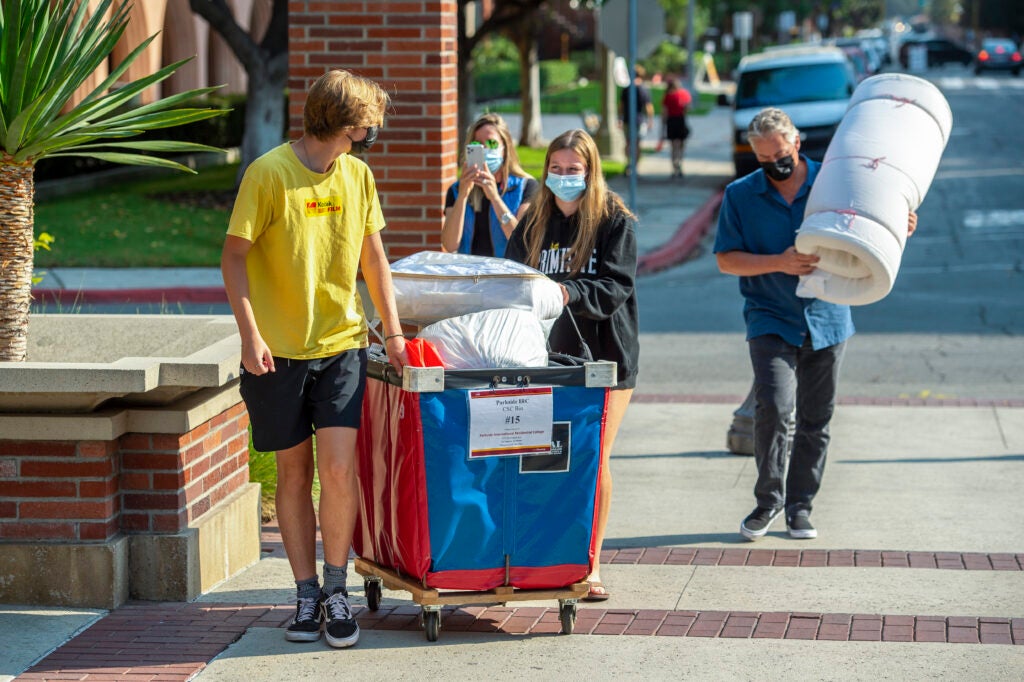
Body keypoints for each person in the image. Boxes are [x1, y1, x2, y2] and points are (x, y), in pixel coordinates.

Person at [221, 69, 408, 649]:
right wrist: (250, 337)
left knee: (337, 470)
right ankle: (304, 593)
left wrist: (395, 336)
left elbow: (374, 264)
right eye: (369, 119)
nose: (375, 127)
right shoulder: (269, 173)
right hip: (276, 355)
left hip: (342, 345)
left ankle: (335, 589)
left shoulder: (358, 175)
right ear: (347, 122)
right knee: (294, 474)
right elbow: (232, 259)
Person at [713, 107, 916, 542]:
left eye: (781, 154)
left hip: (829, 315)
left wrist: (899, 224)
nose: (775, 165)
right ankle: (769, 500)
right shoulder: (741, 195)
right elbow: (727, 259)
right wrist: (779, 263)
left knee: (815, 418)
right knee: (774, 408)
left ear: (797, 143)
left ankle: (800, 507)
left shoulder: (837, 182)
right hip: (769, 315)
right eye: (765, 160)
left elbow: (876, 224)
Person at [505, 129, 639, 602]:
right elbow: (513, 280)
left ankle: (591, 563)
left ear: (590, 172)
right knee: (543, 458)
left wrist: (567, 292)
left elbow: (615, 287)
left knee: (592, 457)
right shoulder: (533, 222)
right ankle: (543, 557)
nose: (564, 178)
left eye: (573, 170)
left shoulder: (614, 220)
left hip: (605, 358)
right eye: (556, 170)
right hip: (544, 359)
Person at [441, 113, 539, 256]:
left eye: (491, 143)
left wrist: (495, 198)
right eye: (477, 145)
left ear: (505, 148)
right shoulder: (456, 190)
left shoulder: (526, 187)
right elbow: (449, 245)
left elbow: (520, 242)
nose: (484, 149)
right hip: (470, 274)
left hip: (509, 274)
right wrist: (462, 196)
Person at [618, 65, 654, 176]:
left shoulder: (627, 89)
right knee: (637, 144)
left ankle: (628, 163)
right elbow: (648, 107)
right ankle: (635, 166)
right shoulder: (643, 89)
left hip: (627, 120)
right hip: (639, 120)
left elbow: (621, 106)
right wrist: (650, 120)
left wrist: (619, 118)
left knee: (628, 143)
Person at [660, 77, 692, 179]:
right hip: (681, 120)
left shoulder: (667, 96)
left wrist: (663, 126)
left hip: (671, 121)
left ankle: (674, 167)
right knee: (681, 145)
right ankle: (680, 165)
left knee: (673, 146)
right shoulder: (684, 94)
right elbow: (687, 108)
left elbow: (664, 112)